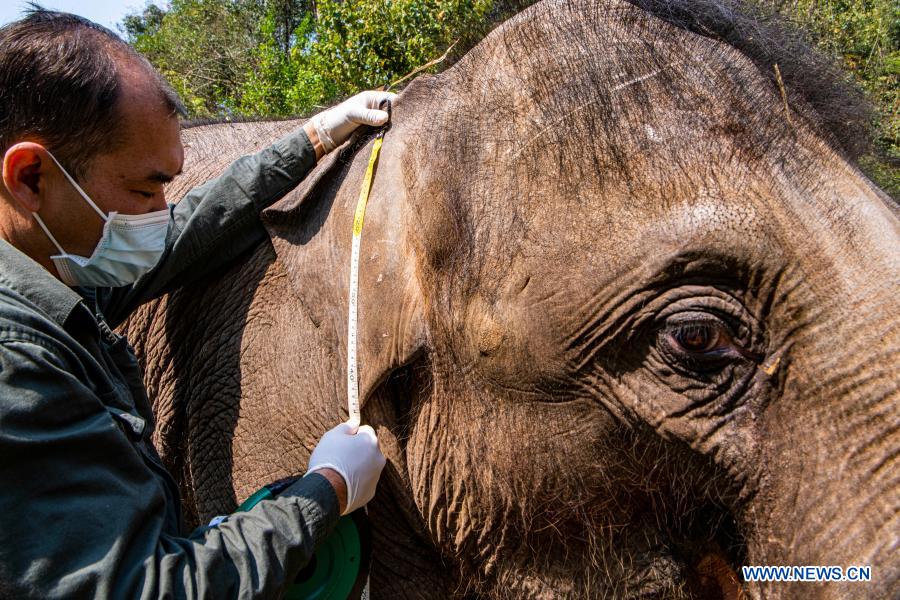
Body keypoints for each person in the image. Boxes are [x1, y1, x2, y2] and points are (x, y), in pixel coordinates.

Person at [0, 9, 391, 599]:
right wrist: (326, 490)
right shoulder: (16, 362)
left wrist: (315, 138)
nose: (161, 210)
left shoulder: (54, 266)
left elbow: (191, 229)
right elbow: (143, 587)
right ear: (29, 176)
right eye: (143, 189)